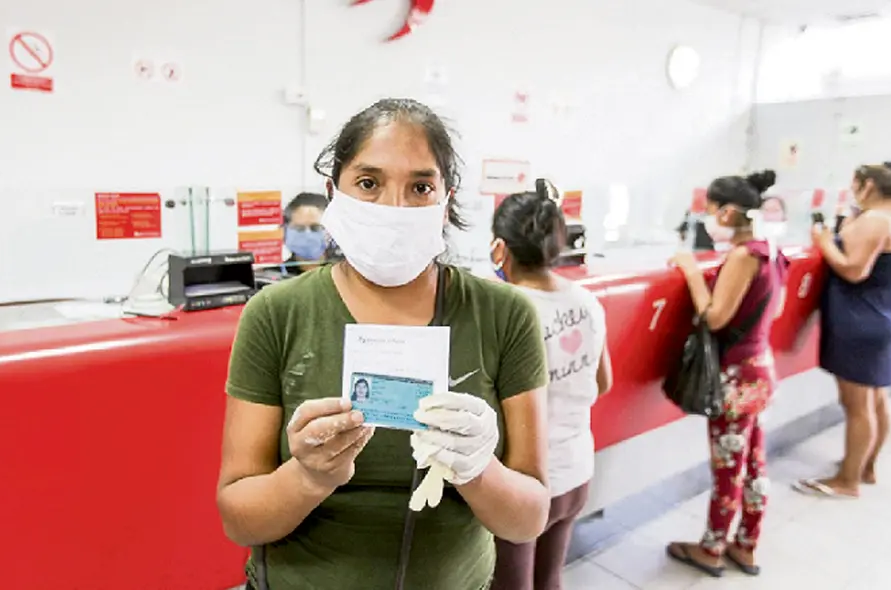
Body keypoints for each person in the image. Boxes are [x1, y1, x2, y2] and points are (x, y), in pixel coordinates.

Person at [217, 98, 551, 590]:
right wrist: (307, 477)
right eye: (369, 183)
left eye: (420, 187)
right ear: (335, 192)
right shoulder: (276, 314)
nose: (394, 208)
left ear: (446, 200)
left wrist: (479, 469)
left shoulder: (504, 315)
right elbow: (238, 519)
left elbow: (528, 520)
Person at [488, 181, 613, 590]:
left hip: (528, 481)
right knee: (549, 580)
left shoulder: (507, 312)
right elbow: (604, 382)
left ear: (499, 249)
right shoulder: (586, 301)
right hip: (576, 469)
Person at [666, 170, 787, 578]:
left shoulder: (742, 255)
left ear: (729, 211)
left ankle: (712, 548)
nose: (707, 217)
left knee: (727, 470)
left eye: (711, 210)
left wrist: (691, 271)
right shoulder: (770, 248)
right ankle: (747, 545)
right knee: (753, 463)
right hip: (762, 368)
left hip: (736, 378)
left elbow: (715, 317)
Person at [795, 164, 891, 499]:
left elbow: (853, 270)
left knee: (857, 406)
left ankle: (847, 481)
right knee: (875, 399)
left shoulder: (877, 220)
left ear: (868, 185)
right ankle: (866, 467)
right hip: (885, 316)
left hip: (861, 321)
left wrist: (824, 241)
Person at [282, 192, 330, 276]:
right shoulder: (271, 275)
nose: (308, 235)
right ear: (285, 231)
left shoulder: (346, 275)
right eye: (299, 228)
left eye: (315, 228)